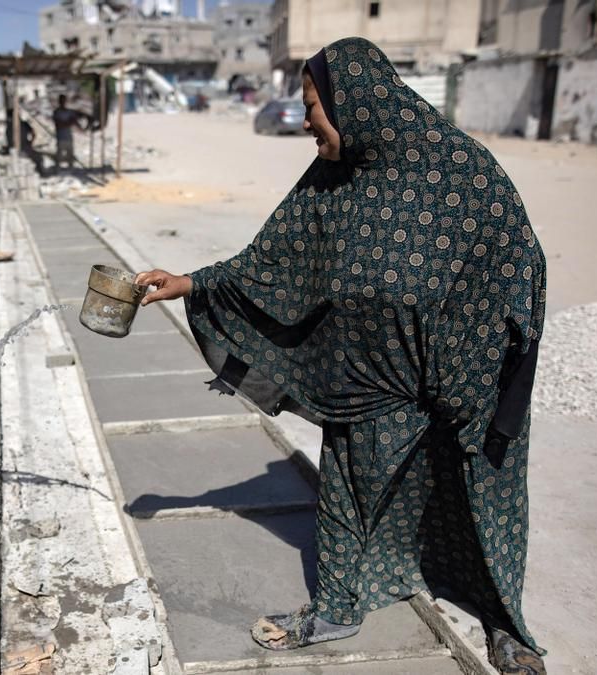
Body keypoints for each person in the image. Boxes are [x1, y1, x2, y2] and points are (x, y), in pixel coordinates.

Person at [134, 37, 547, 675]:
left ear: (355, 102)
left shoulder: (463, 170)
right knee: (348, 495)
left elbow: (519, 266)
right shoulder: (334, 176)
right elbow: (272, 259)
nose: (306, 122)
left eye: (312, 106)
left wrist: (474, 369)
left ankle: (505, 626)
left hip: (464, 379)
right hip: (369, 380)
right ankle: (336, 608)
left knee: (480, 500)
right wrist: (191, 282)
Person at [51, 94, 85, 171]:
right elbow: (59, 124)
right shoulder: (57, 112)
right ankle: (58, 169)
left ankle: (70, 169)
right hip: (61, 137)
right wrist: (69, 122)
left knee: (70, 154)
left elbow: (75, 122)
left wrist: (81, 129)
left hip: (68, 137)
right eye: (61, 100)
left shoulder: (69, 112)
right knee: (59, 154)